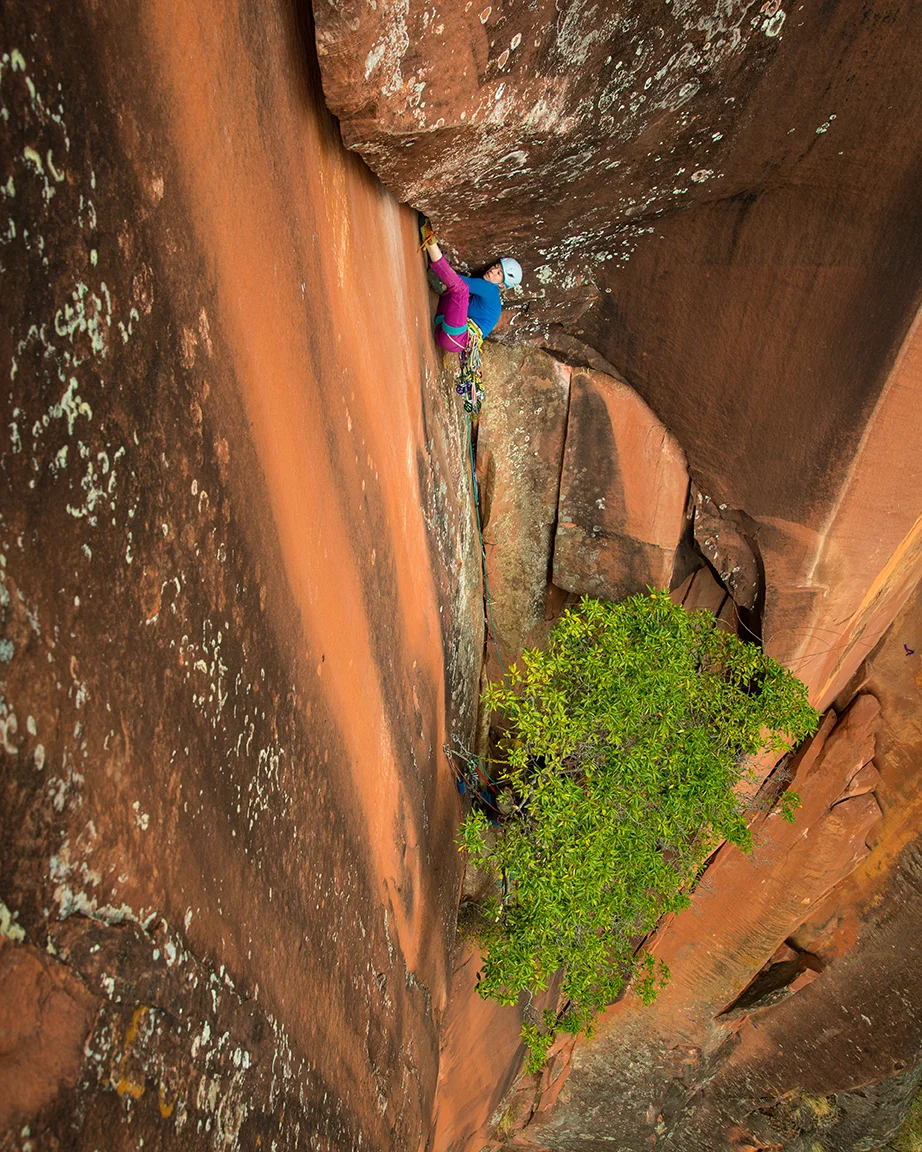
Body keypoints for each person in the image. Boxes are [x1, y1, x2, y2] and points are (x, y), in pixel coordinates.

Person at [420, 224, 522, 354]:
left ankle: (430, 243)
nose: (493, 271)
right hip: (445, 331)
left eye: (499, 273)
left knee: (461, 290)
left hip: (455, 337)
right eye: (496, 266)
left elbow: (458, 282)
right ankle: (442, 284)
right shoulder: (489, 297)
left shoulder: (490, 290)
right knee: (459, 293)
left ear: (501, 285)